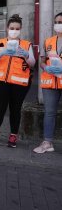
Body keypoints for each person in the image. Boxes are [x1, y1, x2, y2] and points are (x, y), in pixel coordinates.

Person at [0, 14, 35, 148]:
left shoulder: (26, 45)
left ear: (20, 29)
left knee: (15, 109)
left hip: (19, 84)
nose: (14, 31)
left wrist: (26, 55)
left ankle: (13, 135)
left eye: (17, 29)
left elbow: (32, 63)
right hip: (1, 81)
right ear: (7, 28)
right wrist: (2, 52)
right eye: (12, 28)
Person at [33, 12, 62, 153]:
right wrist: (46, 67)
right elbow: (42, 61)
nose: (58, 24)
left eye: (61, 21)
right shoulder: (48, 41)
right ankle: (47, 142)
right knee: (49, 112)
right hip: (50, 82)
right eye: (56, 21)